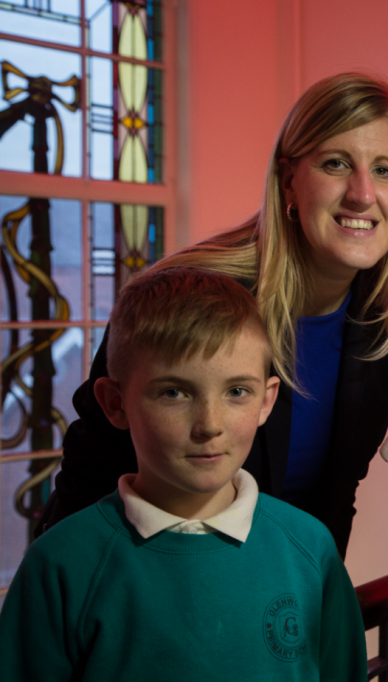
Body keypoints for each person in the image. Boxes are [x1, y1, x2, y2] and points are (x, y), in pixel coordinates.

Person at [38, 73, 388, 558]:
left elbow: (335, 494)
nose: (363, 194)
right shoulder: (192, 292)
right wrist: (55, 603)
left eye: (385, 170)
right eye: (336, 164)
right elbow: (92, 469)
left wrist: (320, 606)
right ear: (290, 181)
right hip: (141, 576)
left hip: (272, 592)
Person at [0, 267, 367, 681]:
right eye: (174, 392)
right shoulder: (59, 567)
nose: (209, 425)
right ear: (115, 403)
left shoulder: (311, 550)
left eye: (236, 392)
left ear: (266, 401)